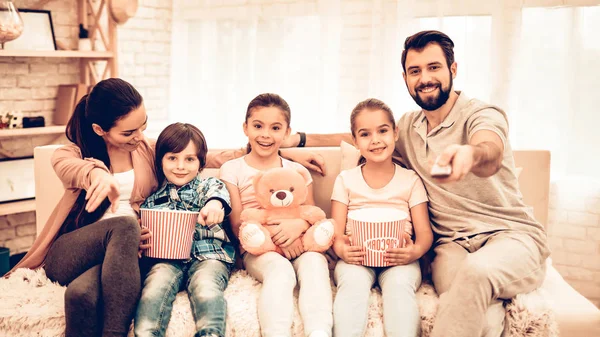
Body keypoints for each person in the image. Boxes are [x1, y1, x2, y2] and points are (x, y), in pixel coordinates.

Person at [284, 30, 549, 337]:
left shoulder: (481, 114)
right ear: (406, 77)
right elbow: (359, 134)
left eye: (433, 67)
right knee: (471, 304)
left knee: (476, 274)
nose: (425, 78)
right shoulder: (408, 128)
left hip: (510, 236)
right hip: (451, 245)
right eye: (415, 71)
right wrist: (296, 143)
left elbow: (490, 149)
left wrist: (470, 154)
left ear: (453, 69)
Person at [8, 78, 243, 337]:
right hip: (71, 253)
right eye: (128, 132)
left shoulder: (143, 148)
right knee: (126, 224)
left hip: (121, 258)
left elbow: (199, 154)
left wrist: (262, 149)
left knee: (80, 295)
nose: (139, 136)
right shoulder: (71, 154)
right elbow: (74, 169)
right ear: (100, 130)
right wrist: (98, 175)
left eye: (142, 126)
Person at [220, 93, 332, 337]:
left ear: (287, 132)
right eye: (258, 126)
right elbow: (238, 222)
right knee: (280, 270)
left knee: (316, 263)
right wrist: (279, 235)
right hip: (258, 247)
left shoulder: (298, 171)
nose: (266, 135)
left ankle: (319, 330)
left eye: (275, 128)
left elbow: (312, 215)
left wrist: (296, 228)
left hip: (299, 242)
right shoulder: (232, 169)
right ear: (245, 128)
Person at [331, 98, 432, 337]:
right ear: (355, 141)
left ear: (395, 133)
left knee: (399, 287)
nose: (375, 139)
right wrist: (341, 250)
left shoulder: (410, 180)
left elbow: (425, 233)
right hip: (357, 258)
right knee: (352, 287)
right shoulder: (346, 180)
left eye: (383, 131)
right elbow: (335, 232)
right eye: (365, 134)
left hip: (399, 259)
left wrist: (414, 252)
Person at [134, 123, 233, 337]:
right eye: (172, 158)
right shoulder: (152, 201)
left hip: (209, 256)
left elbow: (218, 196)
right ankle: (146, 333)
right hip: (167, 259)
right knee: (154, 287)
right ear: (160, 161)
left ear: (200, 163)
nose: (180, 166)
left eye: (189, 159)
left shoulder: (209, 186)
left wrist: (214, 205)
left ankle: (211, 333)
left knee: (206, 286)